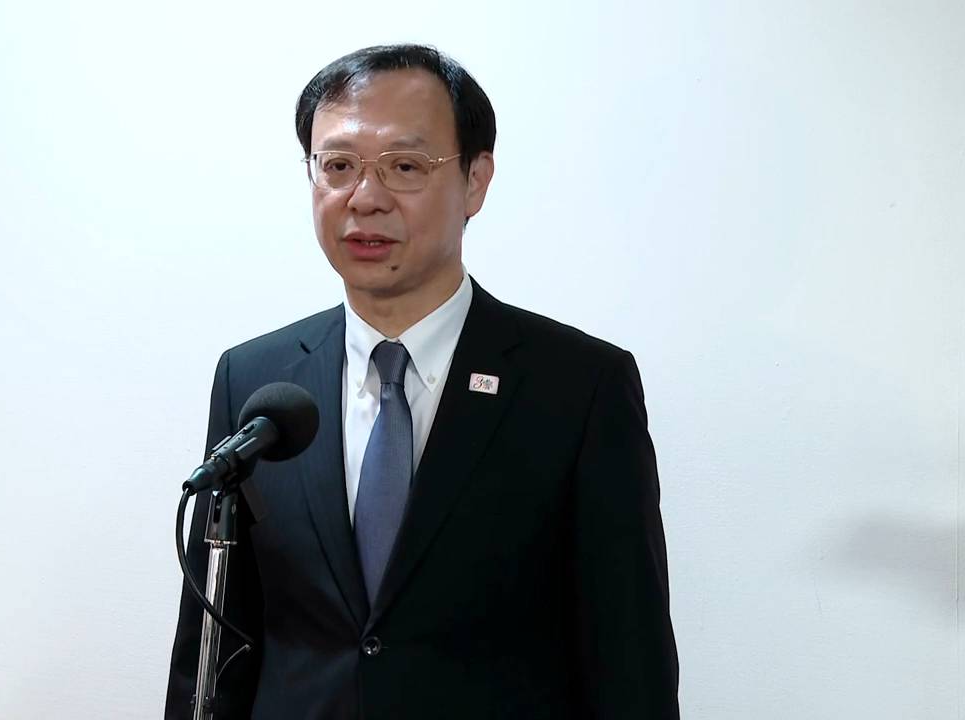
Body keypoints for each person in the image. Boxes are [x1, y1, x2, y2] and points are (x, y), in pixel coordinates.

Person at [166, 44, 678, 720]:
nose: (365, 198)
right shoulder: (256, 380)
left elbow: (629, 663)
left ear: (475, 180)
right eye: (338, 166)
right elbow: (212, 648)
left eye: (405, 167)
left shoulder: (579, 387)